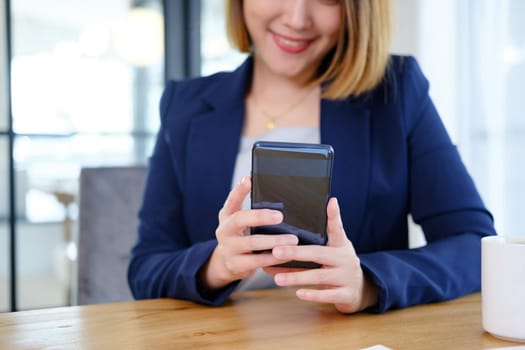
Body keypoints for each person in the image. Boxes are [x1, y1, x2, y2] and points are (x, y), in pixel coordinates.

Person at [127, 0, 496, 314]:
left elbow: (475, 246)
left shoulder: (395, 92)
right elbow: (146, 268)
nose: (297, 18)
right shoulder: (185, 106)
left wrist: (366, 281)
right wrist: (216, 265)